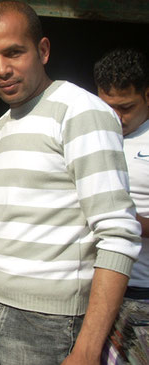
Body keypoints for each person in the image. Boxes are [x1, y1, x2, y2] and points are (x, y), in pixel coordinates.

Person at [0, 1, 141, 365]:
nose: (1, 69)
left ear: (43, 50)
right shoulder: (4, 125)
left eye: (14, 52)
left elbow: (119, 232)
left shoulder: (80, 112)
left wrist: (87, 348)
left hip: (50, 324)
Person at [95, 48, 149, 299]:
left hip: (141, 290)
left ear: (147, 95)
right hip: (91, 285)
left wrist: (122, 219)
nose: (116, 117)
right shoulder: (90, 136)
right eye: (108, 107)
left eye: (125, 107)